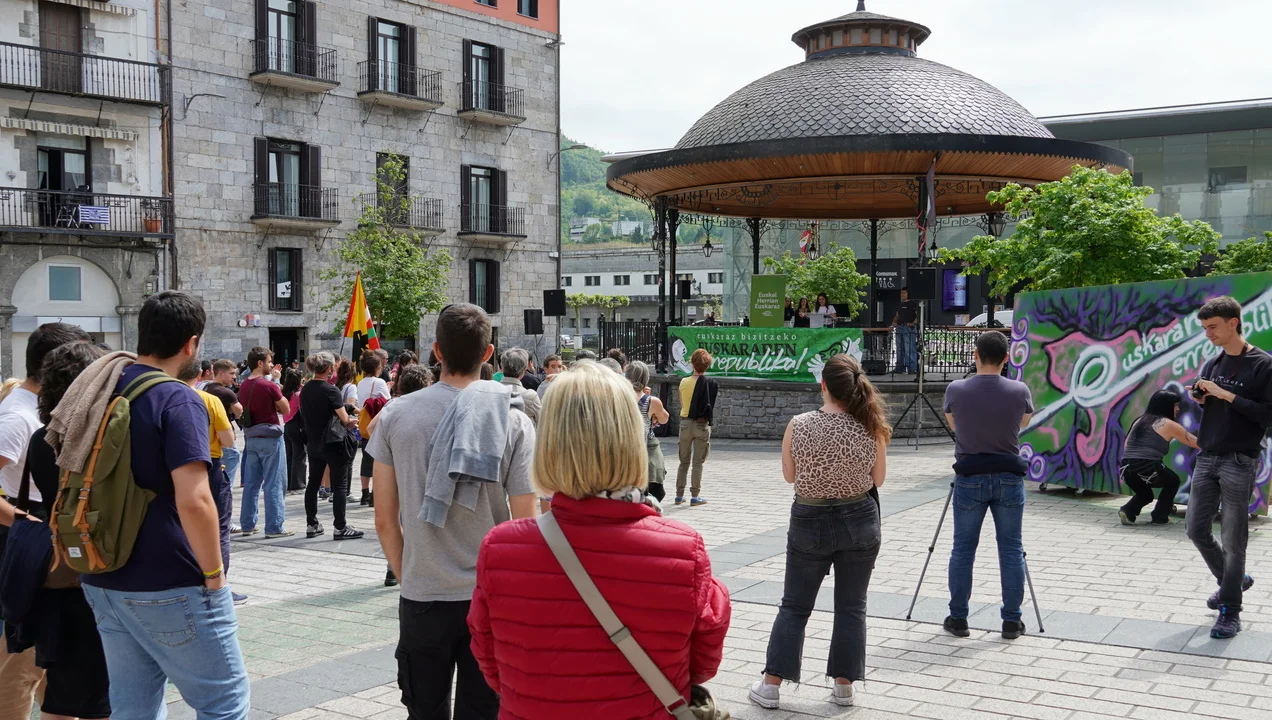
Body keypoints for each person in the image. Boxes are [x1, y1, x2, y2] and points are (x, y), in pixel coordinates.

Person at [468, 361, 731, 719]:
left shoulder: (501, 549)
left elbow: (491, 663)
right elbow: (702, 664)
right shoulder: (684, 550)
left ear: (549, 443)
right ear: (630, 439)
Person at [75, 291, 250, 718]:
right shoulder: (177, 397)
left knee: (133, 707)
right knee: (224, 703)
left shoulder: (101, 387)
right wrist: (215, 577)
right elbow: (195, 499)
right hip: (169, 579)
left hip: (102, 573)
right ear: (191, 343)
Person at [370, 303, 537, 719]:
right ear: (489, 353)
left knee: (424, 710)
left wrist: (410, 574)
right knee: (483, 710)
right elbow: (525, 523)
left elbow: (385, 520)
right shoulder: (514, 420)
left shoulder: (396, 414)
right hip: (491, 593)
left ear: (437, 350)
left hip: (424, 591)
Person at [750, 354, 890, 710]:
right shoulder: (870, 425)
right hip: (859, 518)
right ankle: (844, 686)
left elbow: (789, 476)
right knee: (851, 606)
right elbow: (878, 479)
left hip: (809, 518)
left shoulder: (798, 424)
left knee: (795, 605)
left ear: (823, 385)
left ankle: (771, 686)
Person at [0, 342, 111, 720]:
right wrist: (20, 517)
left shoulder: (42, 437)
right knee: (89, 695)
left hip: (55, 572)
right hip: (85, 576)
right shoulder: (89, 441)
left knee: (61, 694)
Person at [1187, 296, 1272, 639]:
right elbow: (1212, 407)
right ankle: (1232, 582)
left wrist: (1224, 394)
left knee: (1234, 540)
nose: (1208, 334)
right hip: (1207, 455)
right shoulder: (1213, 363)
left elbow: (1267, 415)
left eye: (1213, 327)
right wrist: (1201, 396)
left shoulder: (1263, 365)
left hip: (1240, 459)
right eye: (1205, 328)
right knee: (1195, 530)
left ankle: (1230, 610)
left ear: (1233, 323)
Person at [942, 331, 1034, 640]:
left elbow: (955, 426)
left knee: (963, 548)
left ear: (975, 355)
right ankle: (1011, 621)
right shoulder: (1020, 390)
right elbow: (1023, 423)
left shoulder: (956, 389)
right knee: (1011, 549)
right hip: (1008, 476)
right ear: (1007, 358)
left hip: (970, 475)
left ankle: (958, 618)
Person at [300, 351, 363, 540]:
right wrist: (351, 421)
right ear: (328, 368)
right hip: (334, 443)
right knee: (340, 485)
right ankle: (340, 526)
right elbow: (345, 419)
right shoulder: (331, 390)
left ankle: (312, 524)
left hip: (314, 442)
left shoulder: (306, 389)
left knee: (313, 483)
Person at [1118, 389, 1197, 526]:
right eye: (1175, 405)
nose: (1178, 409)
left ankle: (1127, 511)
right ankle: (1160, 517)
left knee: (1146, 494)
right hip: (1147, 464)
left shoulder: (1140, 421)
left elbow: (1126, 444)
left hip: (1126, 466)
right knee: (1172, 481)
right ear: (1166, 406)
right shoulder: (1168, 424)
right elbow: (1195, 442)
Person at [238, 347, 293, 539]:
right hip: (270, 437)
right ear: (260, 363)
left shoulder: (244, 385)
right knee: (274, 483)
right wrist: (276, 382)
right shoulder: (268, 385)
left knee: (251, 483)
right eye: (269, 361)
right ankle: (274, 526)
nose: (271, 365)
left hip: (251, 437)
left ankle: (247, 524)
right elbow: (285, 408)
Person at [676, 349, 718, 507]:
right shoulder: (711, 384)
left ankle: (679, 495)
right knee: (697, 463)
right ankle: (695, 495)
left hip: (685, 423)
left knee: (683, 462)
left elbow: (683, 404)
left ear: (692, 363)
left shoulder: (684, 382)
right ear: (707, 365)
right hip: (701, 425)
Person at [626, 360, 669, 502]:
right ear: (646, 378)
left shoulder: (620, 397)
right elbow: (664, 419)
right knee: (655, 489)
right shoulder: (651, 401)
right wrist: (654, 416)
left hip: (624, 444)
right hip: (645, 446)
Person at [356, 351, 392, 505]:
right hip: (377, 424)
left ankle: (364, 493)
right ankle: (373, 495)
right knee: (378, 461)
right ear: (377, 368)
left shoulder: (360, 383)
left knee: (366, 459)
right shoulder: (379, 382)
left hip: (364, 424)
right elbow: (389, 402)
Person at [205, 359, 243, 489]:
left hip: (209, 435)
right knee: (233, 455)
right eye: (231, 373)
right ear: (221, 373)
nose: (234, 377)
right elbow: (239, 412)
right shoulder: (226, 392)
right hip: (223, 433)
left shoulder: (206, 388)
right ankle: (226, 488)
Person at [499, 348, 542, 425]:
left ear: (502, 367)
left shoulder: (491, 392)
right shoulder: (530, 396)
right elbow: (541, 422)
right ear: (525, 369)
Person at [281, 369, 307, 493]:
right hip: (297, 426)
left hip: (287, 425)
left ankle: (289, 483)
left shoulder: (285, 394)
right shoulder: (298, 395)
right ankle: (298, 484)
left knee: (289, 456)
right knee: (299, 456)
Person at [892, 287, 920, 376]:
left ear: (908, 294)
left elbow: (918, 316)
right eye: (901, 293)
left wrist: (913, 323)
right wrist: (894, 322)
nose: (902, 294)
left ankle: (912, 368)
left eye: (904, 293)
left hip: (909, 328)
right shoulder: (900, 304)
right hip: (900, 327)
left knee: (909, 349)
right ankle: (900, 367)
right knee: (899, 349)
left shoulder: (914, 304)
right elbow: (897, 315)